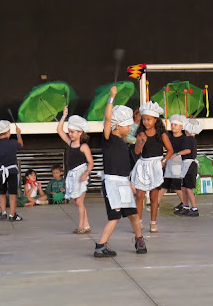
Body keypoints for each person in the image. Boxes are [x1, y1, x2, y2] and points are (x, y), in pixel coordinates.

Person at [94, 85, 147, 257]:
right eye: (127, 126)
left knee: (133, 215)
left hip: (123, 183)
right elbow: (108, 118)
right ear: (117, 126)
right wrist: (111, 97)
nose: (129, 128)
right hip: (111, 184)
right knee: (115, 216)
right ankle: (101, 246)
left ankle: (139, 240)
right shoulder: (108, 139)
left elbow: (125, 166)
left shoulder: (124, 144)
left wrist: (129, 182)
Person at [131, 101, 172, 232]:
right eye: (144, 119)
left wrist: (163, 161)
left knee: (154, 196)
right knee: (139, 194)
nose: (146, 122)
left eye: (149, 119)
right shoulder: (141, 134)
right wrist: (142, 142)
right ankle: (138, 222)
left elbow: (170, 150)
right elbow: (137, 151)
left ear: (155, 120)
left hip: (156, 165)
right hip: (143, 164)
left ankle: (153, 222)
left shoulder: (162, 134)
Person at [58, 109, 94, 234]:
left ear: (80, 132)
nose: (70, 134)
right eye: (69, 132)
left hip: (81, 174)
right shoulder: (70, 143)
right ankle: (86, 225)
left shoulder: (84, 146)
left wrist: (86, 173)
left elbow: (91, 162)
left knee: (79, 202)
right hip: (73, 174)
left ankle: (81, 227)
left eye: (72, 132)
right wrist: (63, 116)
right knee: (78, 202)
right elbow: (59, 130)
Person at [0, 120, 23, 221]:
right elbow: (21, 145)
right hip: (12, 171)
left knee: (2, 193)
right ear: (7, 132)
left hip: (0, 172)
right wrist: (18, 134)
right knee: (12, 193)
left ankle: (3, 212)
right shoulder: (13, 143)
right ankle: (12, 214)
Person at [159, 114, 188, 214]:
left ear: (181, 126)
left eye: (175, 125)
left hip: (179, 164)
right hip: (169, 163)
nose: (173, 126)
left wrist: (177, 154)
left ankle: (185, 204)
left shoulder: (184, 139)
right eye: (172, 124)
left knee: (176, 185)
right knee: (164, 184)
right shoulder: (169, 137)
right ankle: (156, 202)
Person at [178, 118, 202, 217]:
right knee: (184, 187)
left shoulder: (187, 139)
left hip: (188, 165)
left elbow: (187, 150)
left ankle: (194, 208)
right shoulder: (193, 139)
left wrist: (177, 154)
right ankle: (186, 206)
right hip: (190, 165)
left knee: (188, 188)